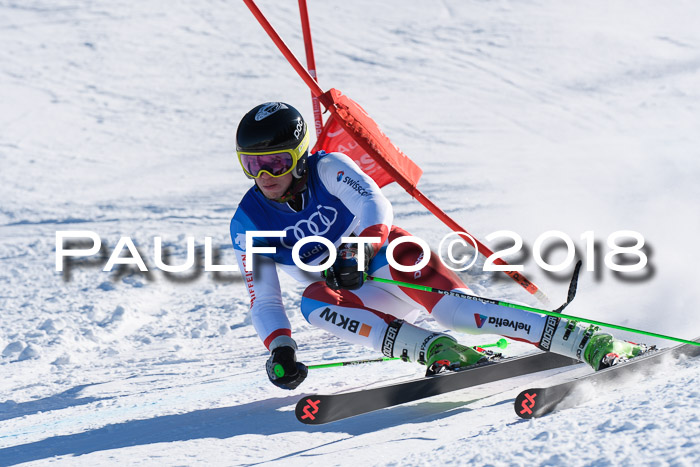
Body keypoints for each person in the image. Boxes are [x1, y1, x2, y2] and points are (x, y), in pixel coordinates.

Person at [230, 102, 644, 390]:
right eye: (251, 164)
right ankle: (439, 351)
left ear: (299, 156)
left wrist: (360, 249)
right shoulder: (249, 222)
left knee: (460, 312)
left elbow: (374, 203)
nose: (264, 175)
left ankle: (589, 340)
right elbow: (263, 299)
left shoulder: (327, 167)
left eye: (277, 162)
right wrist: (280, 348)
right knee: (314, 303)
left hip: (395, 262)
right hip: (364, 297)